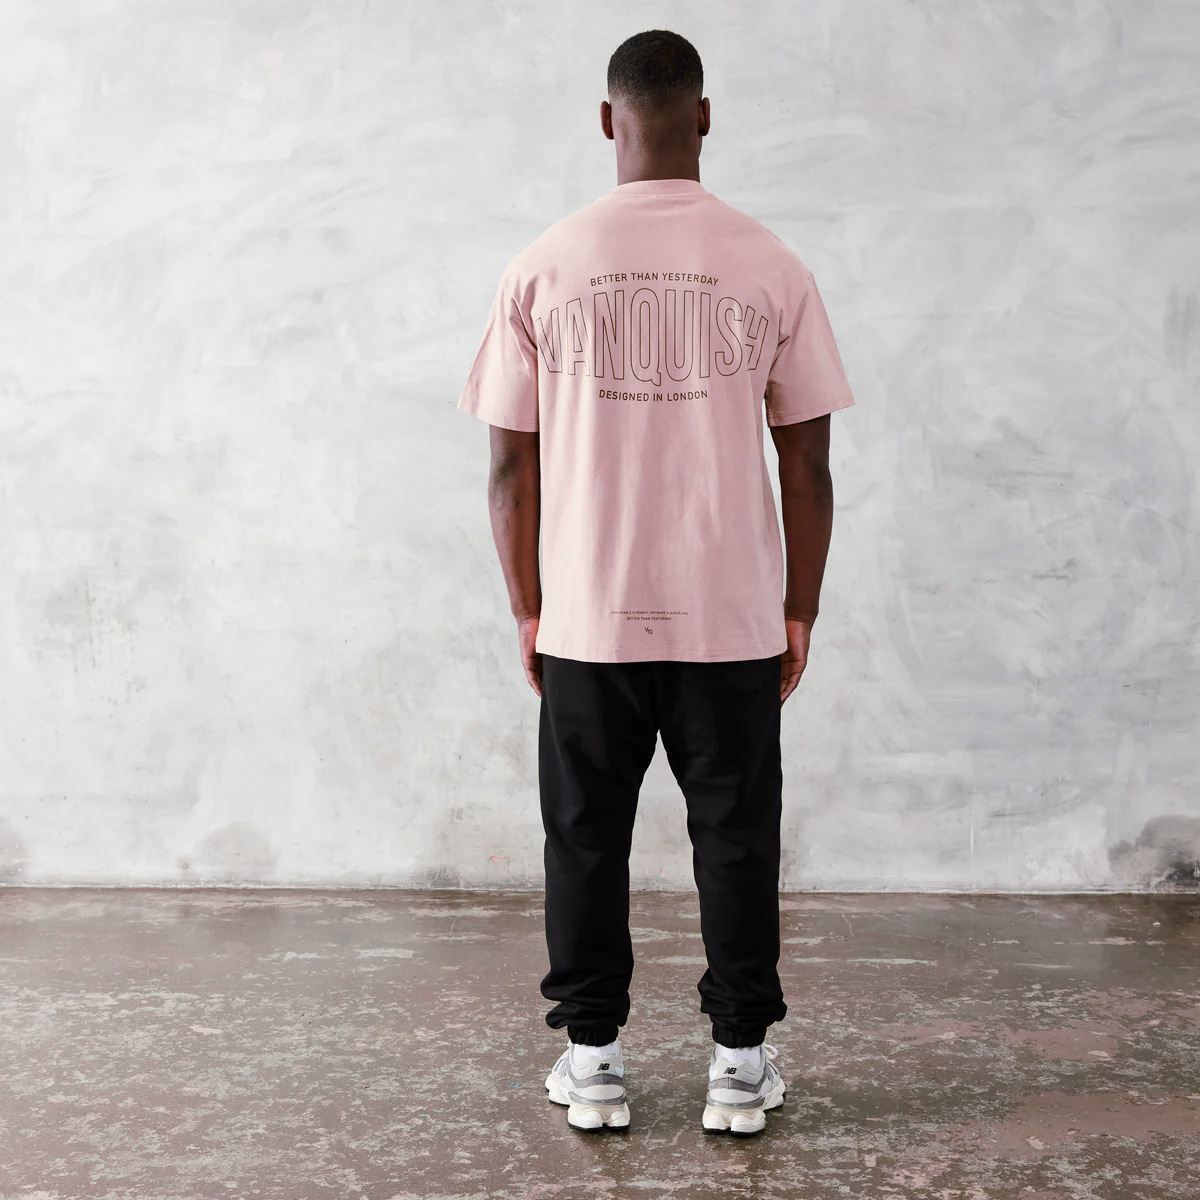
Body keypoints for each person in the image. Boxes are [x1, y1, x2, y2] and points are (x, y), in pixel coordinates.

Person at [456, 29, 856, 1136]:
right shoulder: (771, 264)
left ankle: (593, 1063)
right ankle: (739, 1066)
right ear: (705, 117)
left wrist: (529, 608)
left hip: (589, 618)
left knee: (584, 837)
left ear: (607, 122)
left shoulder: (543, 266)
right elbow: (809, 463)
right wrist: (800, 608)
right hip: (731, 618)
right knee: (736, 839)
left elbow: (509, 466)